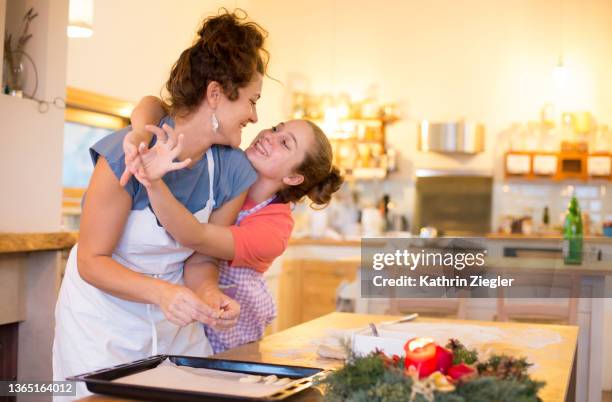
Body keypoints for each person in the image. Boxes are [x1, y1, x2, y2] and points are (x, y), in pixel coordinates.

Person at [52, 10, 268, 397]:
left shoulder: (233, 170)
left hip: (175, 324)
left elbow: (200, 258)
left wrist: (208, 296)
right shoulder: (127, 154)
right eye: (251, 101)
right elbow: (90, 261)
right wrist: (161, 293)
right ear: (216, 94)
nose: (254, 115)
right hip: (101, 324)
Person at [123, 98, 344, 353]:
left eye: (285, 143)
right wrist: (139, 132)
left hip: (231, 329)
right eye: (276, 128)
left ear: (293, 177)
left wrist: (153, 181)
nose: (269, 136)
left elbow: (195, 238)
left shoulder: (274, 228)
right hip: (183, 319)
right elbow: (154, 105)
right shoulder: (224, 163)